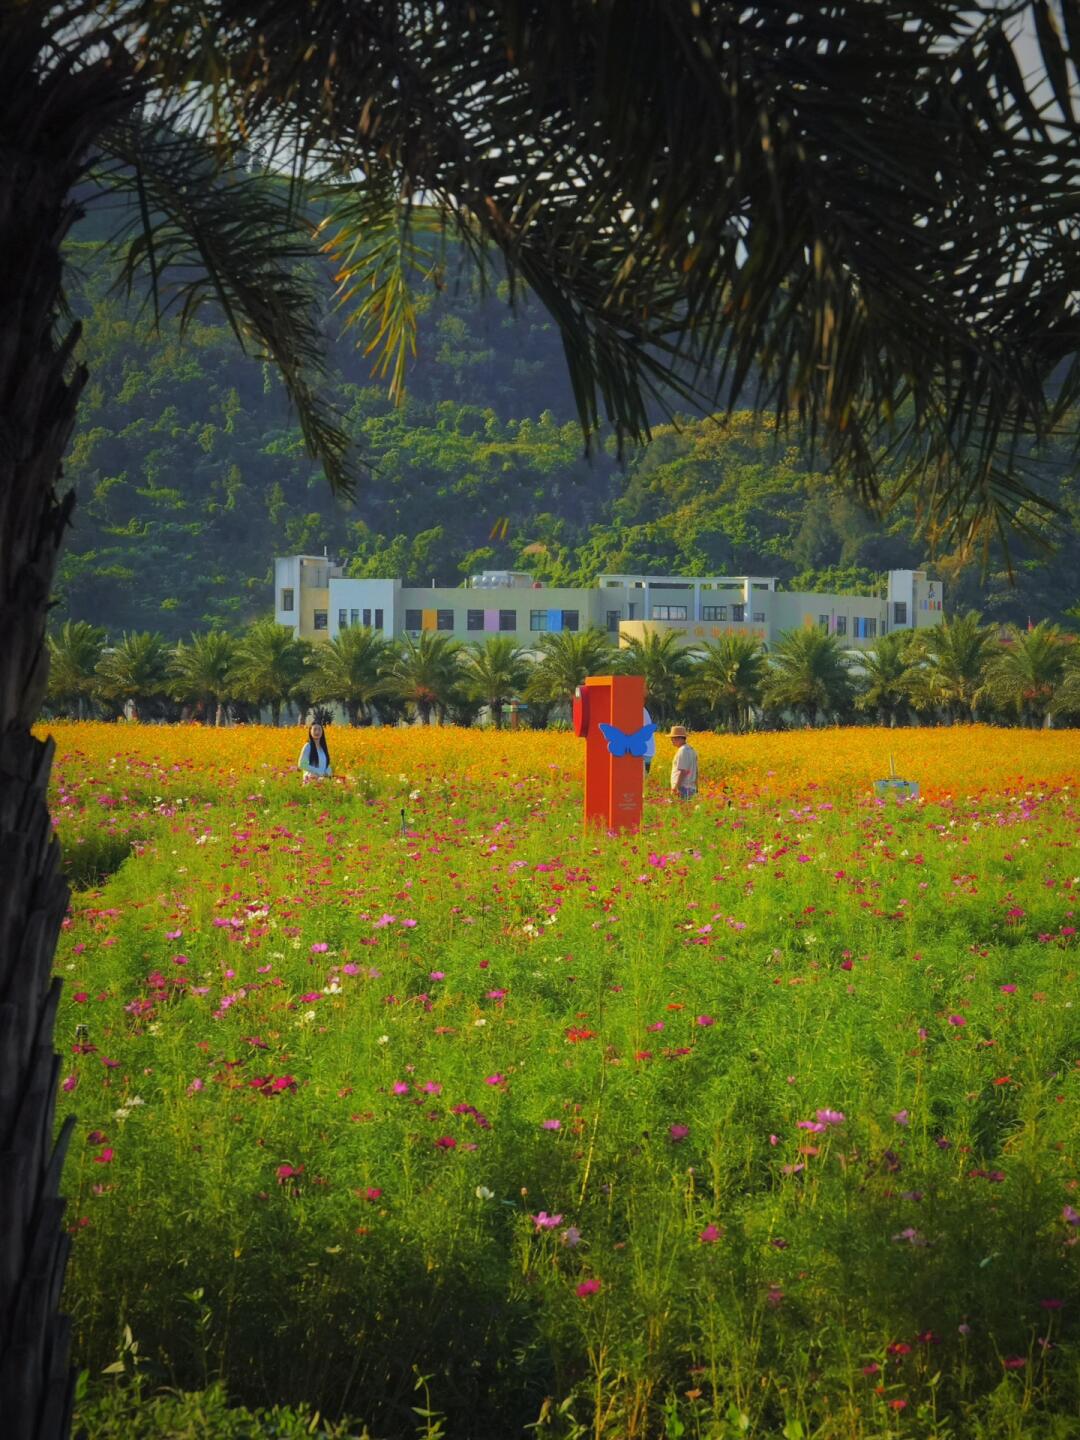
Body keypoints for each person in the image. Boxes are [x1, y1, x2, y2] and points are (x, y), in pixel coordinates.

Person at [668, 724, 698, 801]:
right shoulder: (692, 750)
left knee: (679, 810)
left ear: (679, 738)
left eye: (672, 738)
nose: (671, 741)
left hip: (682, 788)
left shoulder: (682, 751)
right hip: (691, 788)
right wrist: (696, 787)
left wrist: (676, 788)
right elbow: (696, 772)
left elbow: (683, 771)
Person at [642, 705, 656, 775]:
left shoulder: (640, 709)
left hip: (643, 750)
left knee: (642, 775)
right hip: (649, 749)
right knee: (645, 774)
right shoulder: (643, 710)